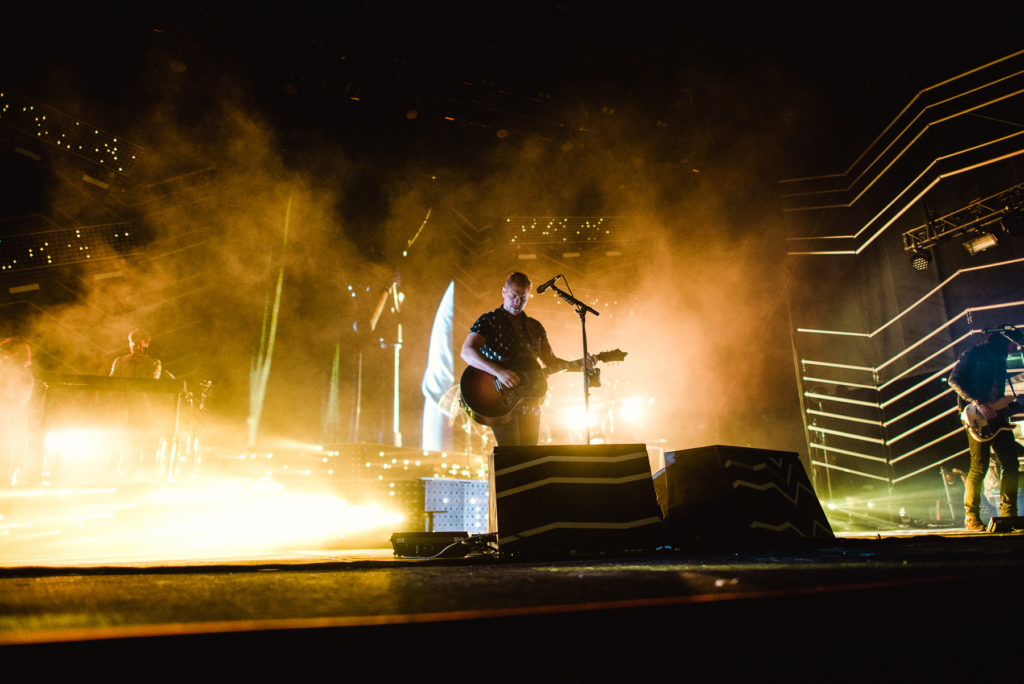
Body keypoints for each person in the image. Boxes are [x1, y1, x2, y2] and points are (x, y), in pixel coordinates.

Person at [460, 272, 585, 447]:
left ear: (529, 295)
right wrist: (500, 373)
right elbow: (466, 351)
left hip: (531, 397)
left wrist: (580, 366)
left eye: (523, 298)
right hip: (498, 395)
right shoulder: (489, 320)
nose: (517, 301)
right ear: (504, 292)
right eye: (513, 296)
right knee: (511, 455)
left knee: (529, 455)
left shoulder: (535, 327)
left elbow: (551, 363)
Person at [948, 327, 1024, 531]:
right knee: (979, 467)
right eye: (1012, 344)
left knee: (1010, 464)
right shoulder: (974, 354)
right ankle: (971, 516)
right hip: (976, 416)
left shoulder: (1001, 359)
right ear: (1002, 340)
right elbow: (953, 380)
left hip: (997, 416)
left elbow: (997, 391)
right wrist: (978, 402)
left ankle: (1009, 515)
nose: (1014, 348)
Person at [0, 337, 34, 486]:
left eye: (6, 353)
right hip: (9, 416)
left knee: (8, 450)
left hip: (11, 418)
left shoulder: (24, 374)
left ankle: (6, 482)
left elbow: (21, 398)